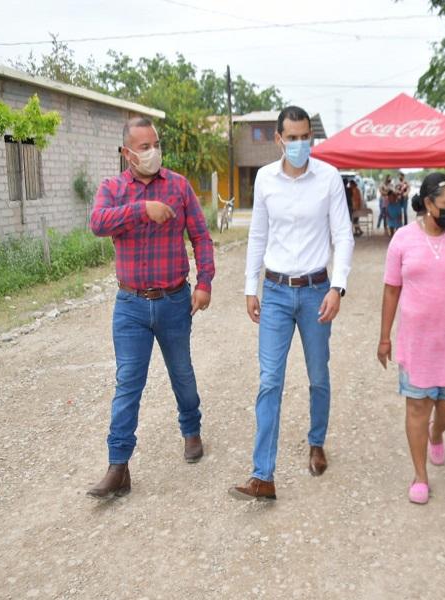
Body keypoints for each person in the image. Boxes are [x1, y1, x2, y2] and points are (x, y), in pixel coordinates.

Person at [87, 116, 215, 499]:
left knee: (182, 374)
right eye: (144, 147)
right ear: (127, 153)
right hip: (130, 305)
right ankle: (118, 466)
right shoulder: (112, 188)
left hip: (174, 300)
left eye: (154, 144)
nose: (152, 151)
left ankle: (191, 429)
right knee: (128, 383)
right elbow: (96, 223)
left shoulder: (179, 186)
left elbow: (201, 237)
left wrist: (205, 281)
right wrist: (144, 210)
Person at [231, 106, 355, 501]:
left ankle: (316, 441)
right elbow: (258, 235)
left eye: (306, 137)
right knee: (270, 381)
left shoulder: (329, 178)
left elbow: (344, 235)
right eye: (293, 137)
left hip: (318, 290)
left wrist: (338, 287)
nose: (301, 144)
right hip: (278, 293)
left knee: (318, 374)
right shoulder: (266, 180)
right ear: (279, 139)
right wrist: (251, 288)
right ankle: (262, 475)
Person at [377, 172, 445, 504]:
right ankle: (420, 476)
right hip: (417, 343)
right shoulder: (403, 240)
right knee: (417, 408)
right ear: (427, 204)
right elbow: (391, 290)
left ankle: (437, 434)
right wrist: (384, 337)